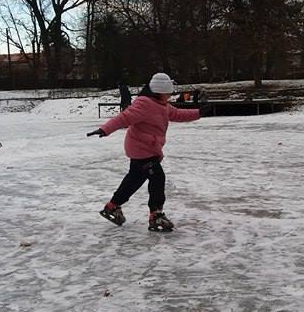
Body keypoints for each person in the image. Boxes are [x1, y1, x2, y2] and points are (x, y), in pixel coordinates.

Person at [87, 73, 211, 232]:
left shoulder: (163, 106)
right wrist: (105, 129)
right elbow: (124, 118)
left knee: (134, 180)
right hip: (141, 149)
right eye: (167, 93)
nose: (169, 96)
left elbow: (178, 114)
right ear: (159, 92)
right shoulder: (144, 104)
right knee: (157, 176)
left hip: (149, 148)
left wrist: (199, 113)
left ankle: (112, 206)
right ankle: (156, 215)